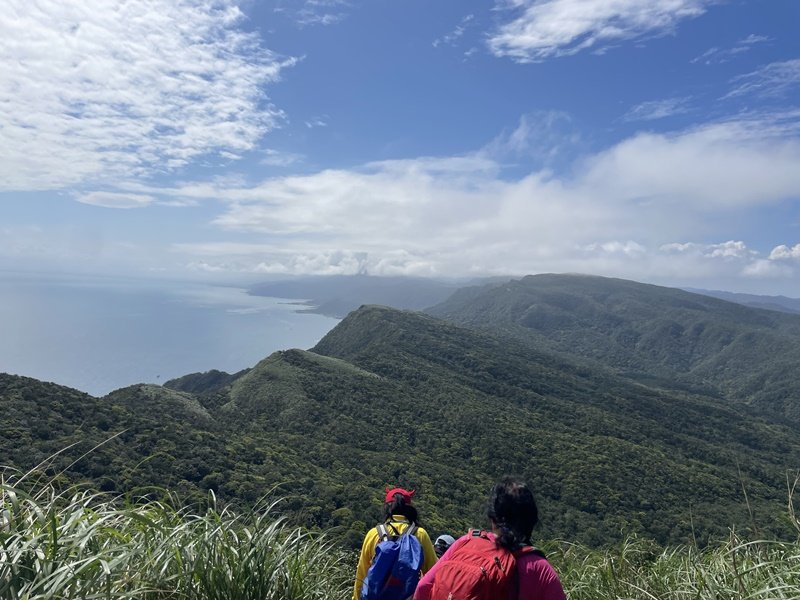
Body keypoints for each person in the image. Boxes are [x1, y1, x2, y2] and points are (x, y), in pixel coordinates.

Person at [414, 478, 566, 600]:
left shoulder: (466, 542)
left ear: (493, 518)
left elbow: (423, 587)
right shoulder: (539, 569)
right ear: (531, 520)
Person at [353, 487, 438, 600]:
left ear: (387, 508)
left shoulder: (374, 534)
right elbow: (434, 573)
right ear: (410, 509)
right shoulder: (420, 534)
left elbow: (362, 572)